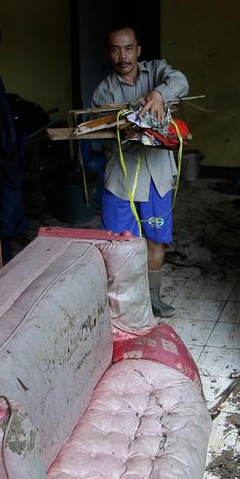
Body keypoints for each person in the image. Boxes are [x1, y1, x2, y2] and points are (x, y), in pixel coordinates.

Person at [91, 26, 189, 317]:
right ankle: (125, 303)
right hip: (122, 178)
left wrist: (159, 94)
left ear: (138, 50)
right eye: (115, 50)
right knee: (120, 243)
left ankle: (152, 299)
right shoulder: (104, 91)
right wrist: (127, 131)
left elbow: (181, 82)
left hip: (158, 175)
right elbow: (101, 135)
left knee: (157, 239)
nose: (123, 56)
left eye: (128, 48)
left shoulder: (156, 71)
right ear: (108, 54)